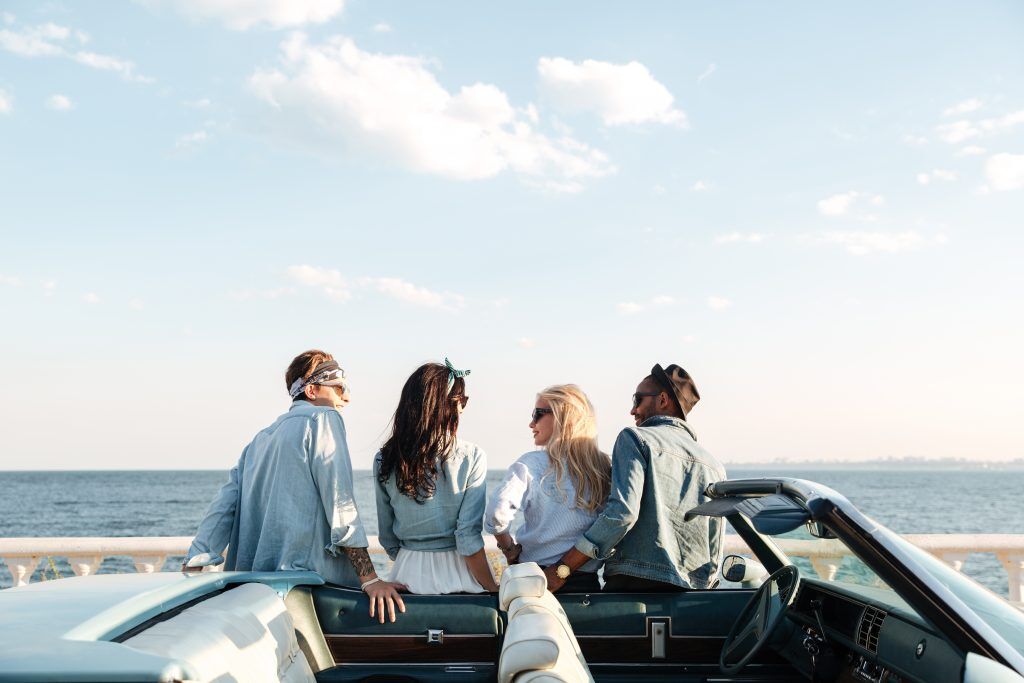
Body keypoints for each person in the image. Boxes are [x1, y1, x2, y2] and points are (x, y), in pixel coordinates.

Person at [184, 349, 406, 623]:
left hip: (253, 592)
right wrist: (370, 580)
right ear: (312, 390)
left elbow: (223, 509)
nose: (346, 397)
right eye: (339, 388)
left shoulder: (259, 441)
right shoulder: (324, 419)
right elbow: (341, 505)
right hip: (306, 591)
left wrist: (195, 560)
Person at [543, 364, 726, 593]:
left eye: (637, 400)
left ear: (662, 400)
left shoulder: (635, 438)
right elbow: (715, 545)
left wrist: (563, 569)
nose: (633, 411)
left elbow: (621, 514)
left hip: (634, 587)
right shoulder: (713, 465)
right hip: (691, 592)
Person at [374, 359, 499, 594]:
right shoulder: (471, 456)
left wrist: (412, 557)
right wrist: (493, 587)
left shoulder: (385, 459)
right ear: (452, 404)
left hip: (406, 573)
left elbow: (387, 535)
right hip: (460, 574)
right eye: (463, 401)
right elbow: (467, 537)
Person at [485, 384, 610, 592]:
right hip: (586, 585)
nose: (531, 423)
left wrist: (509, 550)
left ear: (563, 417)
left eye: (538, 414)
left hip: (534, 582)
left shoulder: (530, 464)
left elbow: (496, 514)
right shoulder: (604, 469)